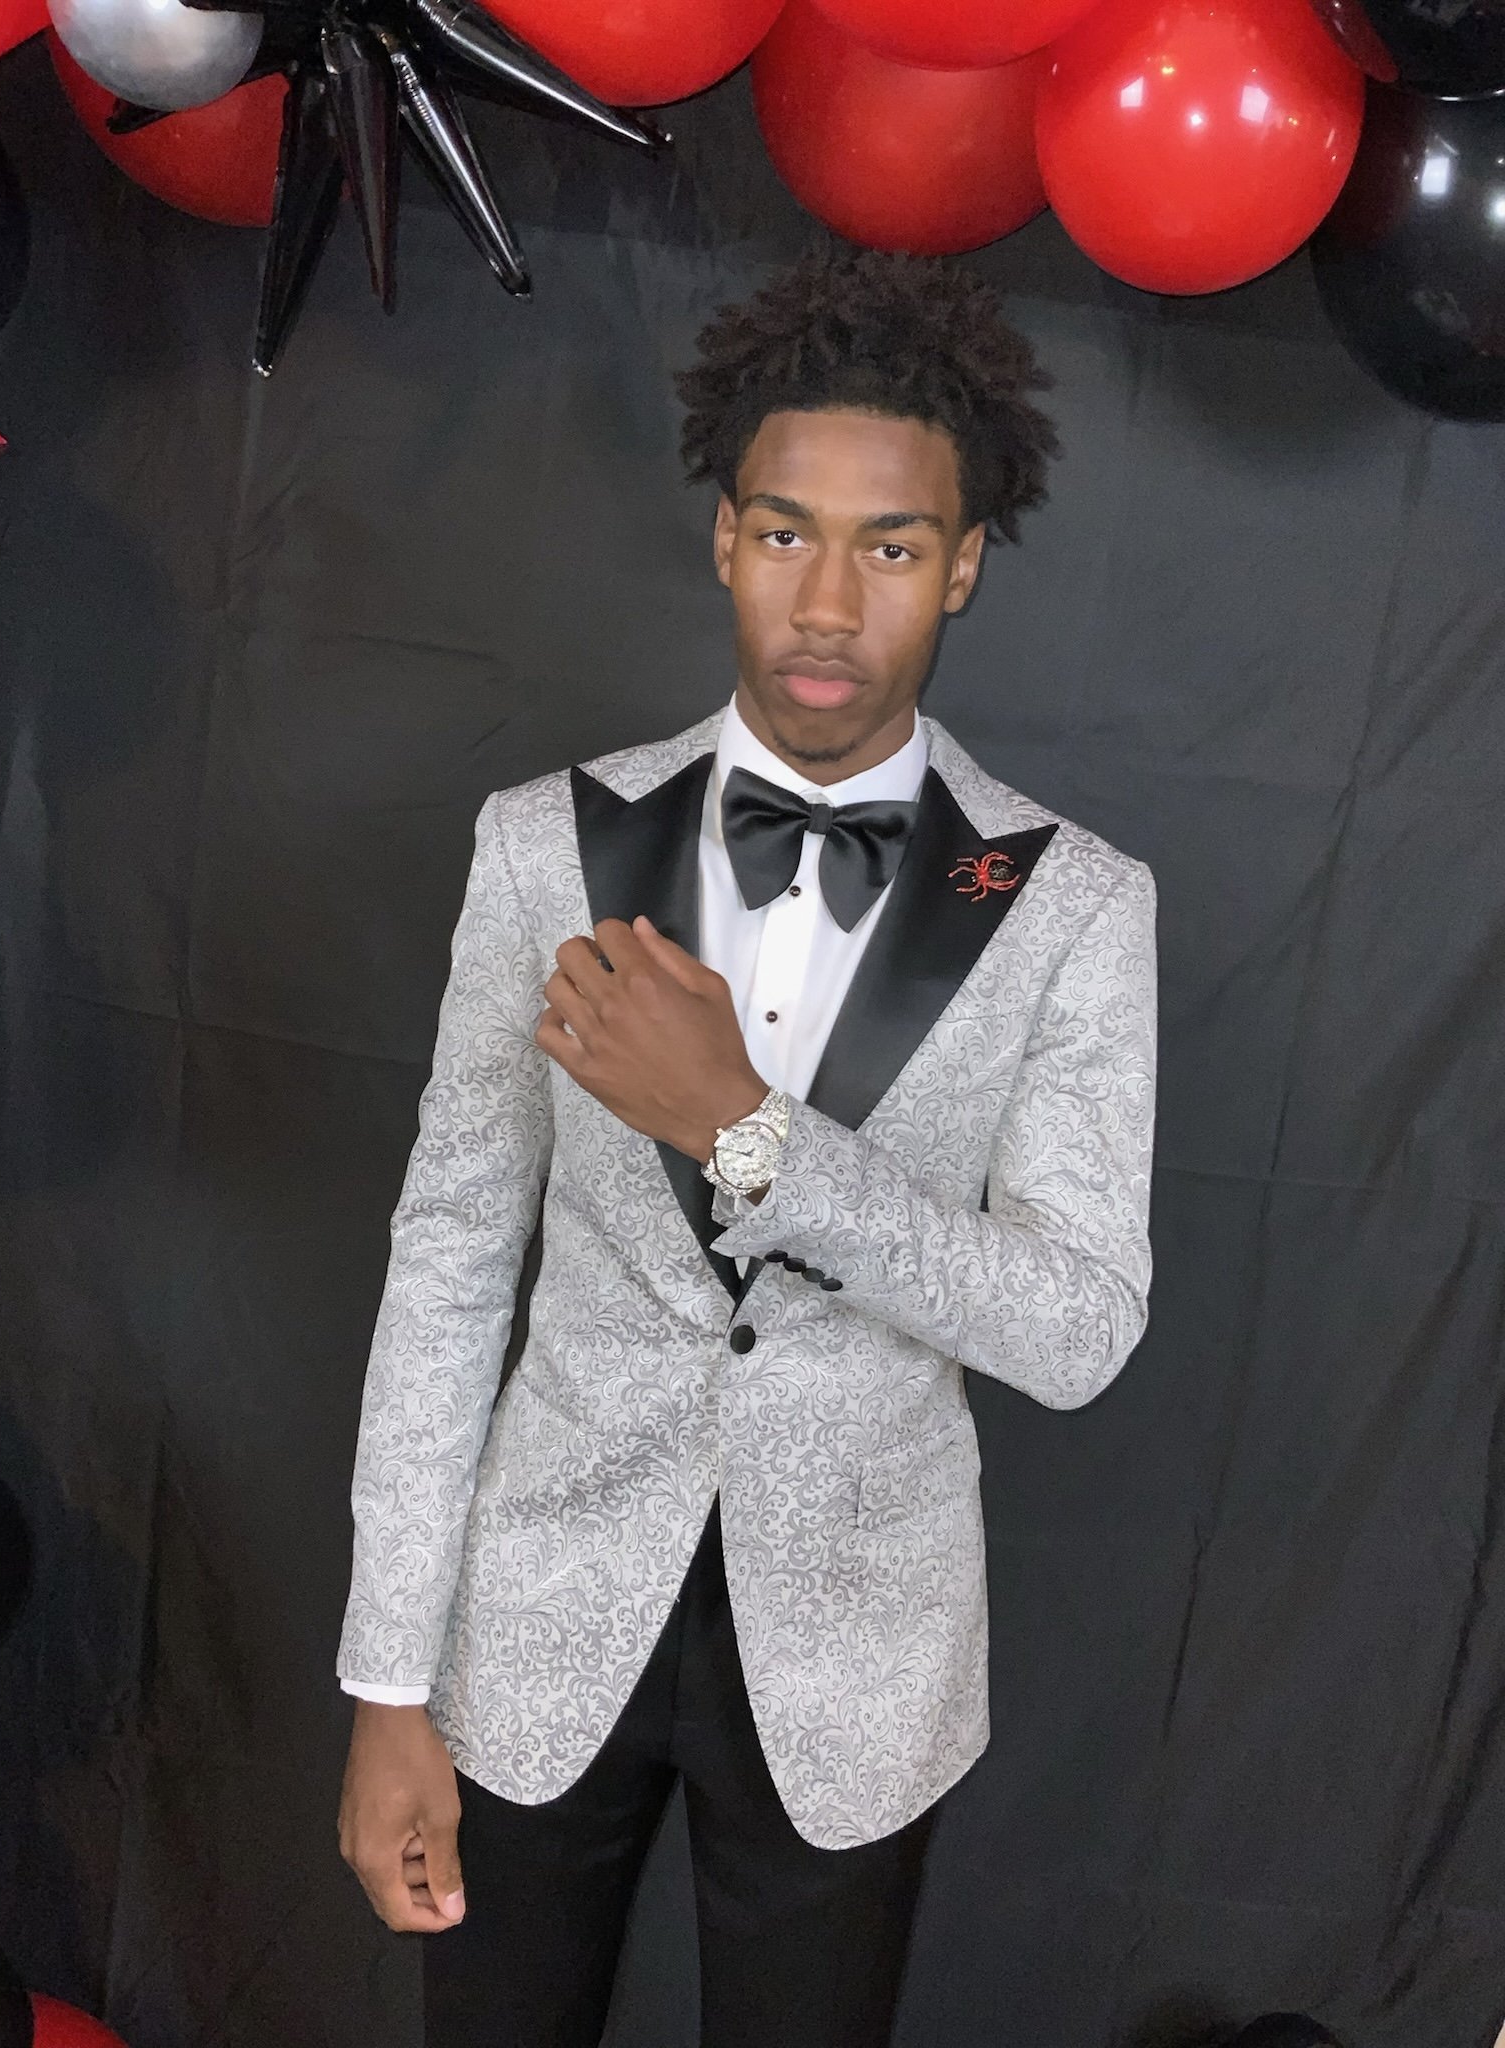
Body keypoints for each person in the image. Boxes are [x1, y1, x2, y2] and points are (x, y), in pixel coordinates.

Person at [335, 248, 1158, 2048]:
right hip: (536, 1621)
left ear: (961, 565)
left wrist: (751, 1135)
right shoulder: (539, 845)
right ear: (724, 536)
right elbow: (451, 1262)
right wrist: (388, 1677)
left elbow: (1080, 1331)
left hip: (860, 1670)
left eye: (887, 548)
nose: (826, 602)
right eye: (786, 531)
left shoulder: (1077, 909)